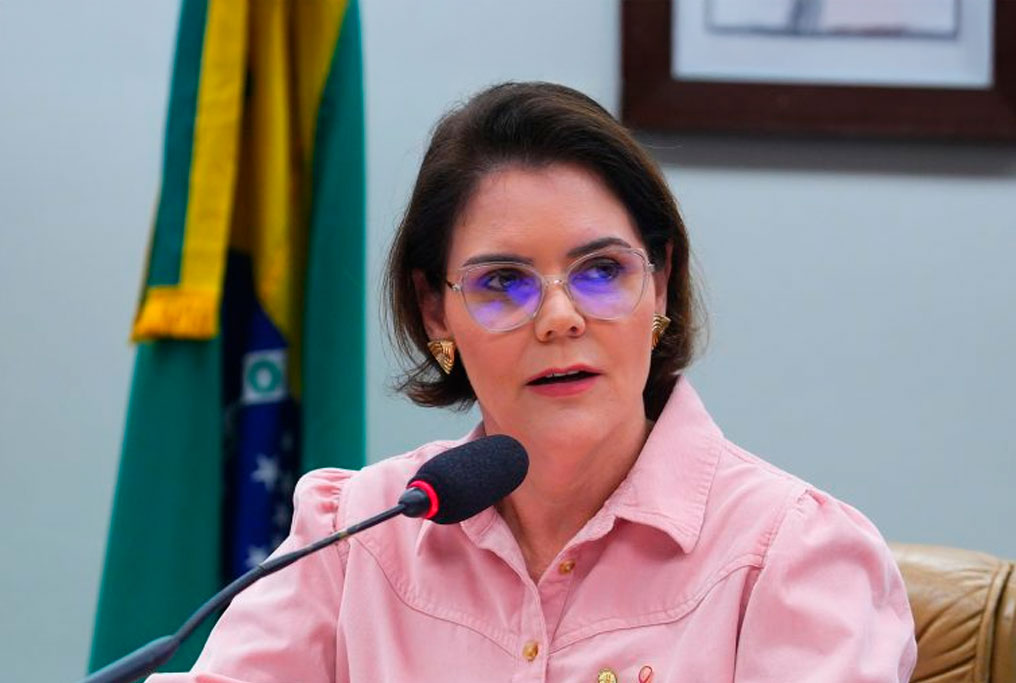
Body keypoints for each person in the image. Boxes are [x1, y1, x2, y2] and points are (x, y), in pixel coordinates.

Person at [150, 82, 917, 682]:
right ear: (435, 310)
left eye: (602, 271)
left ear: (661, 283)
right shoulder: (359, 534)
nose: (558, 318)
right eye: (503, 283)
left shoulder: (791, 556)